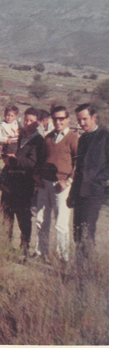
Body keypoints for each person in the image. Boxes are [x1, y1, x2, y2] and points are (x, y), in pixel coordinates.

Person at [33, 106, 78, 262]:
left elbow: (78, 163)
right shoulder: (49, 137)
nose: (58, 122)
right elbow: (41, 158)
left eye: (61, 119)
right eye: (55, 119)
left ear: (68, 119)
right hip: (45, 183)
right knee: (41, 219)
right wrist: (37, 176)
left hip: (62, 186)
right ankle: (40, 253)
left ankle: (62, 258)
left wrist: (68, 180)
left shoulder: (73, 138)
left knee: (61, 223)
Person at [0, 108, 45, 256]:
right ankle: (4, 243)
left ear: (37, 122)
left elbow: (32, 162)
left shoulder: (38, 141)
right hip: (9, 180)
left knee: (23, 216)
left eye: (31, 121)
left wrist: (14, 160)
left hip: (24, 182)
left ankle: (24, 246)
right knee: (6, 213)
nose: (27, 123)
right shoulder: (19, 135)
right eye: (25, 120)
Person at [67, 104, 109, 254]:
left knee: (86, 234)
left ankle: (87, 275)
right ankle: (78, 272)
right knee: (77, 234)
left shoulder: (106, 136)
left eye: (84, 119)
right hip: (79, 193)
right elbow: (79, 169)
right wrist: (72, 194)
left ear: (94, 117)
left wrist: (98, 179)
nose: (81, 123)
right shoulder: (83, 137)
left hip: (93, 194)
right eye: (79, 120)